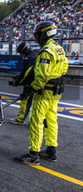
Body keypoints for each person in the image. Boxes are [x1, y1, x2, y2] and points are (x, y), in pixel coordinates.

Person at [14, 21, 68, 165]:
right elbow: (64, 69)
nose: (37, 37)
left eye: (38, 34)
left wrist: (31, 89)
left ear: (44, 33)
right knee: (51, 120)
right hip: (56, 92)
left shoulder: (46, 51)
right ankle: (51, 150)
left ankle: (33, 154)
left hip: (44, 92)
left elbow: (42, 76)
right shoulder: (59, 49)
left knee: (36, 121)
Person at [8, 41, 37, 125]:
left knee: (25, 100)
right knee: (38, 103)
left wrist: (16, 82)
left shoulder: (29, 59)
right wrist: (18, 76)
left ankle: (20, 119)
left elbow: (25, 74)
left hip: (31, 83)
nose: (20, 55)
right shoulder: (36, 53)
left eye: (20, 53)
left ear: (24, 51)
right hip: (40, 82)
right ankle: (40, 122)